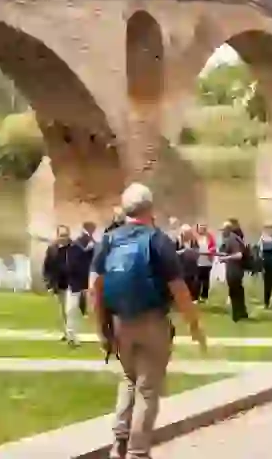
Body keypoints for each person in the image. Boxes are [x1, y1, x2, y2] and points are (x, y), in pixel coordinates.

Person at [91, 183, 206, 459]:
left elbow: (94, 287)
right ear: (150, 208)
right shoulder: (158, 240)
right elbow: (179, 289)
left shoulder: (108, 240)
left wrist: (101, 329)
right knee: (147, 388)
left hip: (119, 321)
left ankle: (119, 442)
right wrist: (194, 325)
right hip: (153, 321)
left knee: (129, 379)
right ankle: (138, 452)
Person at [41, 225, 88, 347]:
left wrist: (84, 285)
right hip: (59, 284)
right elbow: (47, 268)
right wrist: (49, 284)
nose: (63, 238)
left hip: (73, 284)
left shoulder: (75, 249)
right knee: (64, 311)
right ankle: (67, 333)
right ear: (57, 236)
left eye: (65, 235)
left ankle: (72, 336)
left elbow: (83, 267)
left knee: (71, 310)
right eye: (61, 235)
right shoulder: (52, 249)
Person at [217, 223, 249, 322]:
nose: (221, 232)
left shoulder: (232, 239)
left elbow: (239, 255)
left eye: (223, 230)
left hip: (234, 270)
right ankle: (242, 312)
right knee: (238, 291)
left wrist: (225, 258)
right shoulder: (234, 238)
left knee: (234, 292)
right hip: (235, 269)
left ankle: (237, 315)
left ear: (227, 230)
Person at [74, 222, 97, 317]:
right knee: (82, 290)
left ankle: (87, 309)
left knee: (87, 290)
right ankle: (82, 310)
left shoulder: (91, 239)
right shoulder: (81, 240)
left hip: (89, 268)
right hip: (81, 268)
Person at [175, 224, 200, 301]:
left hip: (192, 264)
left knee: (193, 281)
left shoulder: (194, 240)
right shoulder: (177, 241)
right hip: (181, 265)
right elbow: (173, 253)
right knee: (183, 282)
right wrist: (183, 251)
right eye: (186, 233)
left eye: (189, 233)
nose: (188, 235)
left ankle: (194, 298)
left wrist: (194, 253)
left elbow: (197, 251)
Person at [193, 223, 217, 302]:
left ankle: (204, 296)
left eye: (203, 228)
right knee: (197, 280)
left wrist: (211, 252)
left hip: (207, 261)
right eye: (200, 228)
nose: (202, 229)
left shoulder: (209, 237)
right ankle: (196, 297)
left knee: (206, 280)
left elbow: (213, 247)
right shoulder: (195, 237)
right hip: (197, 261)